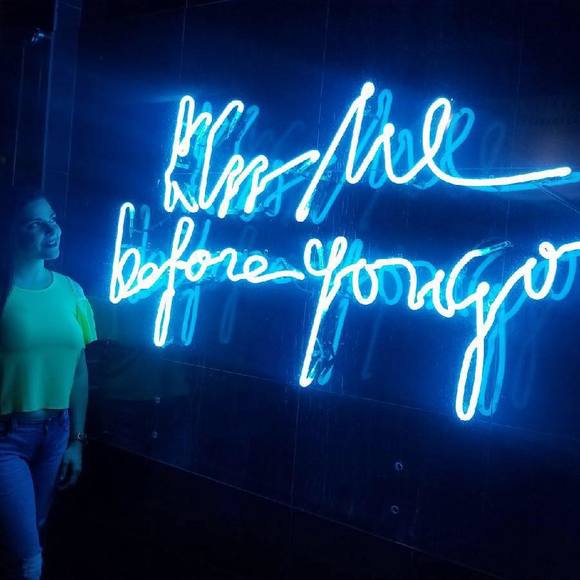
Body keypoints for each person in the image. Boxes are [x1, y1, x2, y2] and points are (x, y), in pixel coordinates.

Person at [0, 190, 97, 579]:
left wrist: (77, 440)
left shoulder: (72, 290)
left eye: (52, 219)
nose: (52, 230)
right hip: (6, 437)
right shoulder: (4, 292)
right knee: (30, 558)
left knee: (31, 533)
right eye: (36, 224)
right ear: (12, 231)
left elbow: (79, 371)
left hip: (56, 434)